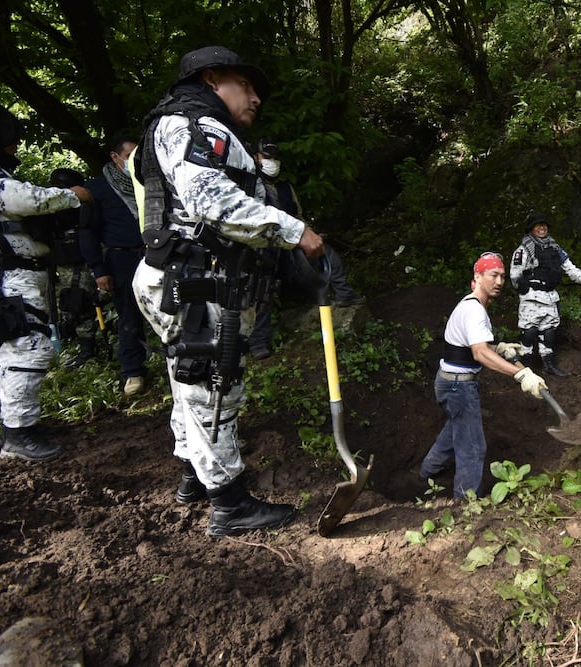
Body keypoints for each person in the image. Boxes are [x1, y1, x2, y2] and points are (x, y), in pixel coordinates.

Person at [132, 46, 325, 537]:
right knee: (211, 385)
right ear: (213, 79)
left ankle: (193, 479)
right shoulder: (196, 123)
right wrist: (293, 230)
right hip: (197, 283)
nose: (257, 97)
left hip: (184, 279)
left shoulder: (181, 125)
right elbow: (210, 200)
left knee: (190, 381)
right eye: (248, 85)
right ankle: (230, 503)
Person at [0, 101, 93, 462]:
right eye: (10, 136)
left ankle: (21, 425)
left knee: (27, 345)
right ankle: (18, 433)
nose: (15, 145)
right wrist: (69, 196)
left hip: (16, 273)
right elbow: (19, 200)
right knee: (24, 348)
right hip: (3, 276)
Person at [419, 252, 548, 499]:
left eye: (501, 276)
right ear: (478, 277)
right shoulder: (475, 311)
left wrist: (497, 348)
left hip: (447, 382)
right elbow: (479, 353)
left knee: (455, 429)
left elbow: (472, 346)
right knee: (472, 447)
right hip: (458, 386)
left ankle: (427, 472)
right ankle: (465, 504)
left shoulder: (471, 305)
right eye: (493, 275)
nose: (499, 281)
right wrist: (521, 373)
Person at [247, 139, 363, 360]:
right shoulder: (251, 186)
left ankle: (345, 295)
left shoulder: (285, 188)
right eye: (267, 157)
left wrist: (309, 235)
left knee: (326, 252)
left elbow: (298, 216)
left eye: (275, 158)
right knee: (262, 286)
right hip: (263, 246)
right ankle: (259, 342)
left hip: (291, 242)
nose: (272, 162)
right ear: (256, 158)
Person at [82, 133, 149, 395]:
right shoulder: (96, 189)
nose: (135, 162)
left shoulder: (148, 183)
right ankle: (133, 372)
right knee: (129, 315)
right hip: (121, 258)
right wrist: (99, 269)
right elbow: (88, 232)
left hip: (154, 253)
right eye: (130, 156)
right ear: (115, 157)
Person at [509, 212, 581, 376]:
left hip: (550, 296)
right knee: (530, 331)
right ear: (531, 229)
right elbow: (515, 273)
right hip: (531, 297)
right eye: (538, 225)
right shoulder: (524, 249)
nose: (542, 228)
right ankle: (525, 367)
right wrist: (522, 288)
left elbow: (569, 267)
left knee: (548, 332)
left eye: (544, 225)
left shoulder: (555, 248)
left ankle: (548, 365)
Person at [43, 168, 99, 367]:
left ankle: (88, 350)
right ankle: (75, 343)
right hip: (60, 263)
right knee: (66, 305)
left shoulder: (82, 206)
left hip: (81, 262)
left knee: (79, 302)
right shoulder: (52, 208)